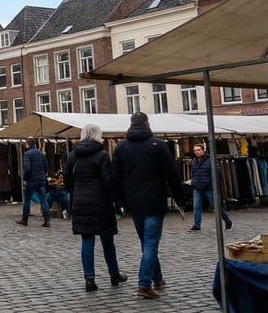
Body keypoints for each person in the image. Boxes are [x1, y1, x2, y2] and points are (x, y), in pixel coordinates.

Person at [112, 112, 187, 299]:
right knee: (151, 242)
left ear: (130, 124)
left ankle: (158, 278)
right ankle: (144, 284)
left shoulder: (121, 148)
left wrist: (118, 201)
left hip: (133, 201)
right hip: (154, 200)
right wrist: (180, 199)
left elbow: (115, 178)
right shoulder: (159, 145)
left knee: (146, 242)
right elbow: (172, 174)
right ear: (147, 124)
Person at [65, 124, 127, 292]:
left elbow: (67, 181)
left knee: (87, 240)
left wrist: (76, 192)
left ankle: (89, 278)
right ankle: (114, 274)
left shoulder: (73, 156)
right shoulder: (102, 155)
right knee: (107, 240)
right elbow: (108, 182)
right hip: (101, 202)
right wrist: (117, 202)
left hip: (80, 202)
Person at [190, 143, 232, 232]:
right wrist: (193, 182)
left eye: (198, 150)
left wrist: (211, 183)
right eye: (195, 150)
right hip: (197, 187)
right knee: (196, 206)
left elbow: (218, 173)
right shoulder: (193, 161)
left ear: (203, 150)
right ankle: (197, 225)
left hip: (209, 188)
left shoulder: (210, 160)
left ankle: (227, 221)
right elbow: (193, 173)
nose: (196, 152)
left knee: (215, 206)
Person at [15, 137, 51, 227]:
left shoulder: (27, 154)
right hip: (41, 180)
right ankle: (47, 221)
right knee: (44, 200)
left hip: (31, 180)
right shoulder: (41, 154)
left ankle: (25, 220)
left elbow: (27, 168)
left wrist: (25, 178)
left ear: (27, 144)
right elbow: (46, 167)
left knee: (27, 199)